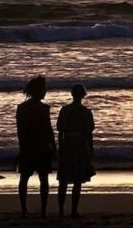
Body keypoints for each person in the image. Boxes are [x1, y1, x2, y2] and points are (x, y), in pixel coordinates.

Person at [16, 75, 56, 218]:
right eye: (44, 89)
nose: (45, 91)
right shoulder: (43, 108)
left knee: (24, 179)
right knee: (43, 179)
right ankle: (44, 211)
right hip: (41, 147)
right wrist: (54, 147)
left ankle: (23, 210)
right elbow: (48, 129)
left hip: (27, 147)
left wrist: (22, 149)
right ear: (38, 90)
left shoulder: (21, 108)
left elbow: (20, 131)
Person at [56, 83, 95, 218]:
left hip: (68, 145)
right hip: (79, 146)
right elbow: (89, 133)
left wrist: (60, 148)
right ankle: (73, 210)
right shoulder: (86, 112)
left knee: (63, 180)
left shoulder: (65, 110)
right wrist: (91, 148)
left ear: (72, 94)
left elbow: (60, 132)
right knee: (77, 181)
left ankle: (61, 211)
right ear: (83, 95)